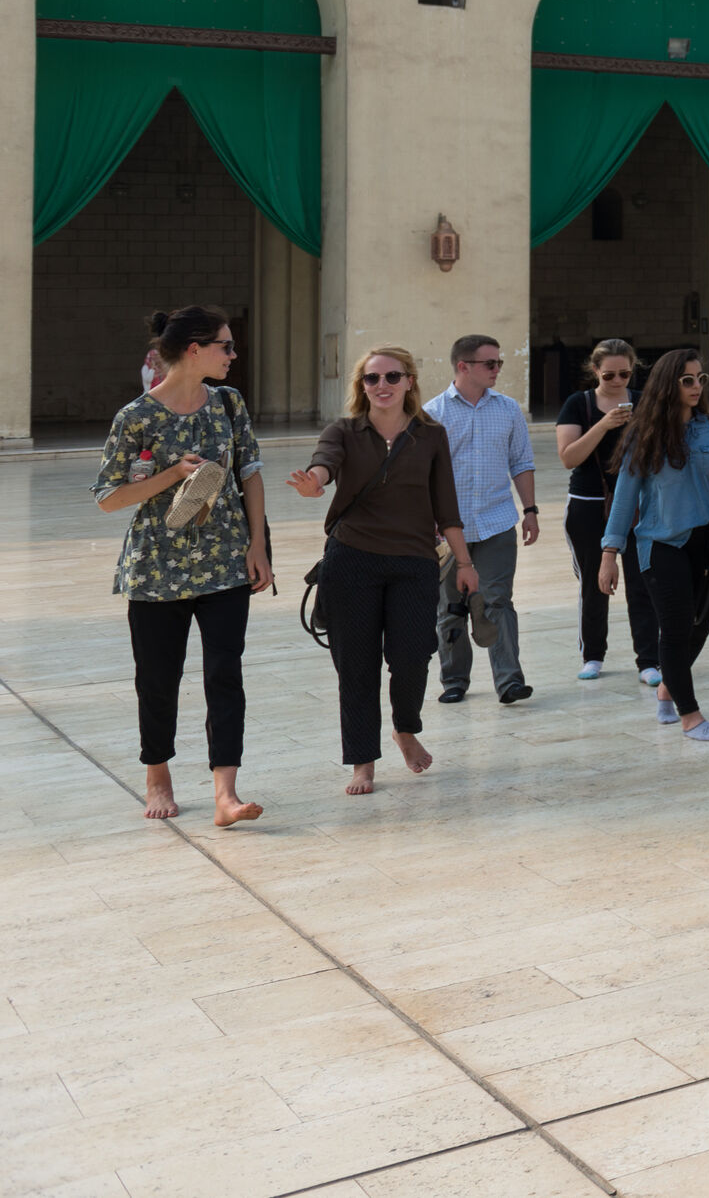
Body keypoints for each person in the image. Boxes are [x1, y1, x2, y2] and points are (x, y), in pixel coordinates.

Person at [96, 305, 272, 827]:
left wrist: (257, 545)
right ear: (195, 350)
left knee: (225, 674)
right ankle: (158, 776)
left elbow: (252, 474)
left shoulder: (229, 403)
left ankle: (226, 794)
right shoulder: (135, 418)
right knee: (157, 679)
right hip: (155, 570)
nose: (233, 355)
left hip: (225, 563)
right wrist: (172, 474)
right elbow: (108, 497)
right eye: (226, 345)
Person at [289, 347, 468, 794]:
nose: (382, 385)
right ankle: (362, 761)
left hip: (414, 562)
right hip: (352, 559)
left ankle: (405, 728)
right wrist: (316, 481)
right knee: (356, 666)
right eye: (372, 379)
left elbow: (446, 504)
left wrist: (464, 562)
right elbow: (325, 461)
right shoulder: (345, 431)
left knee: (412, 656)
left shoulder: (431, 435)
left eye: (392, 376)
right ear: (361, 386)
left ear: (409, 381)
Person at [596, 346, 709, 743]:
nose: (696, 387)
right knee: (677, 629)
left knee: (701, 624)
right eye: (687, 380)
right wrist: (609, 556)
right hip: (660, 545)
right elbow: (625, 500)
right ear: (668, 385)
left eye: (701, 379)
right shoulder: (643, 435)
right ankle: (690, 716)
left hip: (708, 544)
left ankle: (669, 688)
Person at [424, 334, 539, 706]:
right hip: (446, 531)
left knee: (497, 601)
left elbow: (521, 462)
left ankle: (509, 681)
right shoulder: (432, 414)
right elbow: (421, 474)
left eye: (499, 363)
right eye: (490, 364)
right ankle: (454, 680)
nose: (497, 370)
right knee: (450, 607)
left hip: (496, 524)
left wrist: (531, 510)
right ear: (463, 367)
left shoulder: (507, 410)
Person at [556, 338, 655, 685]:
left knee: (642, 582)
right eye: (609, 374)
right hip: (588, 504)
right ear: (595, 370)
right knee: (594, 584)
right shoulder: (578, 404)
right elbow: (569, 457)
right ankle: (593, 655)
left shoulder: (644, 403)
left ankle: (648, 660)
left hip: (638, 505)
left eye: (625, 374)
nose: (617, 381)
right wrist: (603, 425)